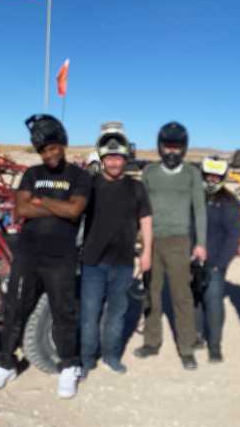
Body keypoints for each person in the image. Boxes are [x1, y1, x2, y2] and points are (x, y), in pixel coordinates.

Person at [0, 114, 92, 398]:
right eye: (43, 150)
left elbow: (74, 211)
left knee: (63, 312)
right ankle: (5, 363)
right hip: (28, 255)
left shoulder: (79, 176)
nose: (49, 154)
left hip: (61, 257)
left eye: (53, 147)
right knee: (15, 308)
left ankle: (68, 366)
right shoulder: (32, 174)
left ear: (63, 144)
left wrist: (41, 200)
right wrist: (57, 206)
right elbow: (21, 209)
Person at [80, 122, 153, 376]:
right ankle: (87, 359)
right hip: (92, 261)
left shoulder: (137, 187)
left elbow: (146, 220)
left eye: (118, 157)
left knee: (116, 314)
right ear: (102, 158)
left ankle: (111, 356)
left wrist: (146, 252)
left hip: (123, 262)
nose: (113, 162)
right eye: (109, 157)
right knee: (89, 314)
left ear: (125, 159)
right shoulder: (89, 185)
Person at [133, 122, 207, 370]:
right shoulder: (150, 172)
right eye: (167, 147)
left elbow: (199, 210)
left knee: (182, 296)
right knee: (151, 294)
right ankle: (151, 342)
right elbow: (140, 208)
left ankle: (186, 348)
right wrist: (139, 241)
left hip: (179, 241)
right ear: (160, 147)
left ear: (184, 148)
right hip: (151, 241)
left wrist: (201, 243)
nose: (172, 152)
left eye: (176, 147)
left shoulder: (192, 174)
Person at [194, 156, 240, 363]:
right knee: (194, 300)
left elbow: (233, 236)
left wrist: (219, 265)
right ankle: (197, 336)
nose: (212, 179)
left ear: (222, 177)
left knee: (213, 303)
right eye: (209, 175)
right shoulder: (194, 196)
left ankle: (215, 346)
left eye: (216, 176)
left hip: (215, 264)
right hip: (192, 260)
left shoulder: (229, 201)